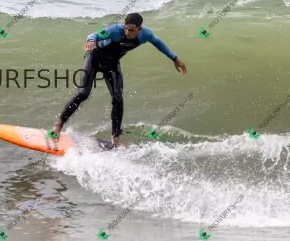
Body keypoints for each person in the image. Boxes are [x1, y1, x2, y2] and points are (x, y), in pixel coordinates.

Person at [49, 13, 187, 146]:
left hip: (112, 64)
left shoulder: (146, 34)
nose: (127, 32)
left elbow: (158, 43)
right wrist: (91, 41)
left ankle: (115, 138)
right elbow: (94, 35)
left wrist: (175, 59)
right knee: (83, 93)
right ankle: (58, 125)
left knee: (118, 99)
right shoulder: (115, 30)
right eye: (126, 28)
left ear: (139, 29)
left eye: (131, 30)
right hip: (94, 58)